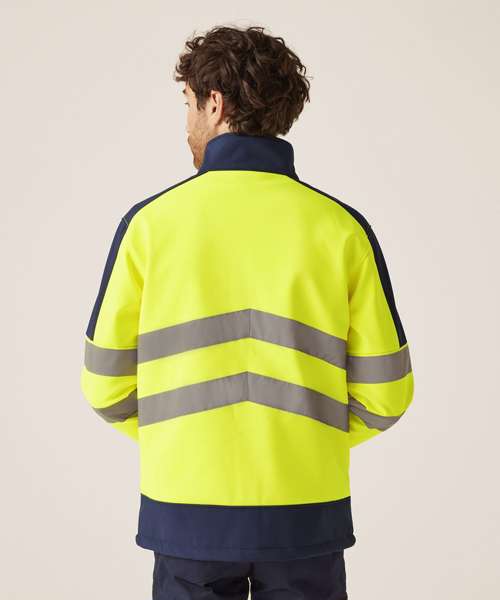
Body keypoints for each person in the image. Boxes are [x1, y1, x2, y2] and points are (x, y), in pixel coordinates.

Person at [81, 24, 415, 600]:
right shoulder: (341, 229)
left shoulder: (150, 226)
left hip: (184, 512)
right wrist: (305, 443)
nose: (188, 122)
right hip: (306, 510)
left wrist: (180, 441)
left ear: (214, 104)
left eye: (189, 104)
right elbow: (388, 394)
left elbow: (104, 387)